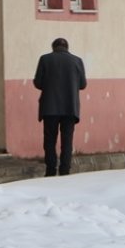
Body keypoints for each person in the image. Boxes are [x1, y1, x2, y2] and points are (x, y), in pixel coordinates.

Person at [34, 38, 86, 177]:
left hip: (50, 107)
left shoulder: (45, 59)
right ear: (67, 48)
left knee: (50, 140)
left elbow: (38, 82)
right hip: (70, 108)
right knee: (67, 140)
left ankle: (50, 169)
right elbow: (82, 84)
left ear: (53, 47)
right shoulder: (77, 61)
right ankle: (65, 170)